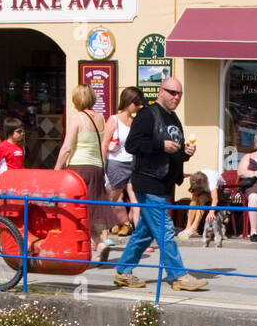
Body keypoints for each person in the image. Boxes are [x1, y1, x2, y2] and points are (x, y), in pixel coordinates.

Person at [111, 77, 208, 292]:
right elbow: (133, 144)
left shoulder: (173, 117)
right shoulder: (147, 114)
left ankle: (123, 271)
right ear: (161, 91)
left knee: (145, 231)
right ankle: (179, 275)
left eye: (179, 94)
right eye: (172, 92)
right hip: (148, 181)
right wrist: (160, 145)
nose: (176, 97)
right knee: (165, 230)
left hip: (164, 182)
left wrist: (185, 153)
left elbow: (174, 151)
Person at [55, 84, 112, 261]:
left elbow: (67, 147)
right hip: (97, 168)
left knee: (74, 211)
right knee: (90, 211)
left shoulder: (77, 117)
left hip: (79, 168)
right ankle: (99, 243)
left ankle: (76, 250)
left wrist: (57, 168)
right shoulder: (101, 118)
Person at [105, 87, 144, 236]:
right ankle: (103, 234)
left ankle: (138, 235)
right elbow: (104, 144)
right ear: (127, 101)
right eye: (136, 102)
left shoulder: (135, 121)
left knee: (136, 201)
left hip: (132, 164)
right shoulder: (114, 119)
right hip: (116, 163)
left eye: (139, 103)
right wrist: (102, 166)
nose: (138, 106)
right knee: (112, 199)